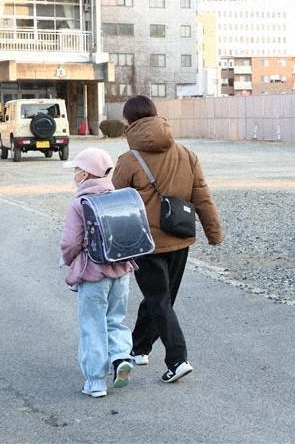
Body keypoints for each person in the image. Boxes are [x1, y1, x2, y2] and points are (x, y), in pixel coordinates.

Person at [112, 95, 223, 384]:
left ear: (129, 122)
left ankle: (178, 359)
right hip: (181, 237)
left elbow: (116, 205)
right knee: (161, 299)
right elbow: (202, 195)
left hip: (145, 243)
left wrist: (112, 245)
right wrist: (214, 232)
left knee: (159, 299)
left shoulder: (128, 160)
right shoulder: (186, 153)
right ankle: (139, 348)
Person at [60, 147, 136, 398]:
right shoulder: (120, 198)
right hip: (122, 270)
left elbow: (70, 243)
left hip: (93, 274)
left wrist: (68, 260)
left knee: (92, 325)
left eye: (77, 170)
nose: (75, 174)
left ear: (85, 173)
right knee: (115, 320)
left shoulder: (80, 204)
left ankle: (95, 382)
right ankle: (121, 358)